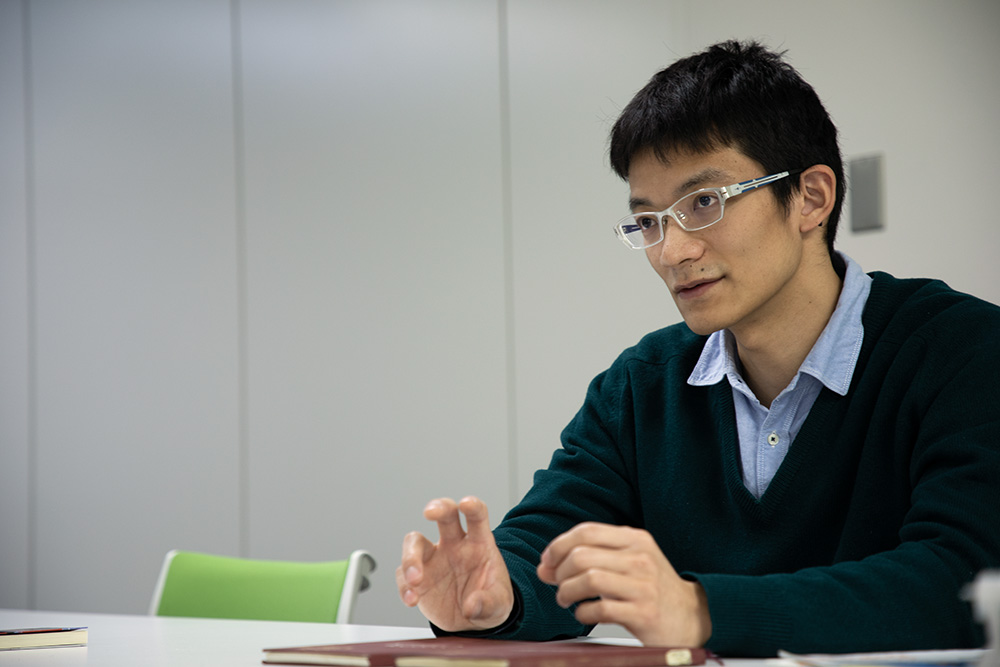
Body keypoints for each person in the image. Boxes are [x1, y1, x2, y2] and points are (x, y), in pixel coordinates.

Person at [396, 40, 1000, 657]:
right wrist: (500, 597)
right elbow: (554, 543)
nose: (671, 251)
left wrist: (700, 609)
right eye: (650, 221)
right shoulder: (641, 385)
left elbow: (966, 581)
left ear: (811, 198)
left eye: (704, 203)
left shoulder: (965, 353)